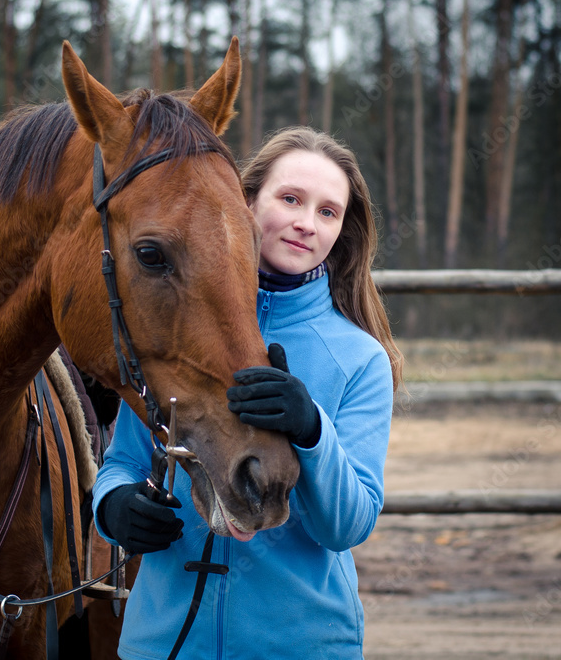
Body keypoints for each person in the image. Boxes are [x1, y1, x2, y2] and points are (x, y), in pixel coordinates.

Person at [92, 126, 403, 659]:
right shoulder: (172, 328)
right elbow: (122, 461)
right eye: (290, 199)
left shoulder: (359, 359)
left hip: (299, 645)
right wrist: (115, 506)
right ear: (246, 200)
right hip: (163, 643)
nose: (307, 223)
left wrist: (311, 430)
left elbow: (349, 525)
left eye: (328, 212)